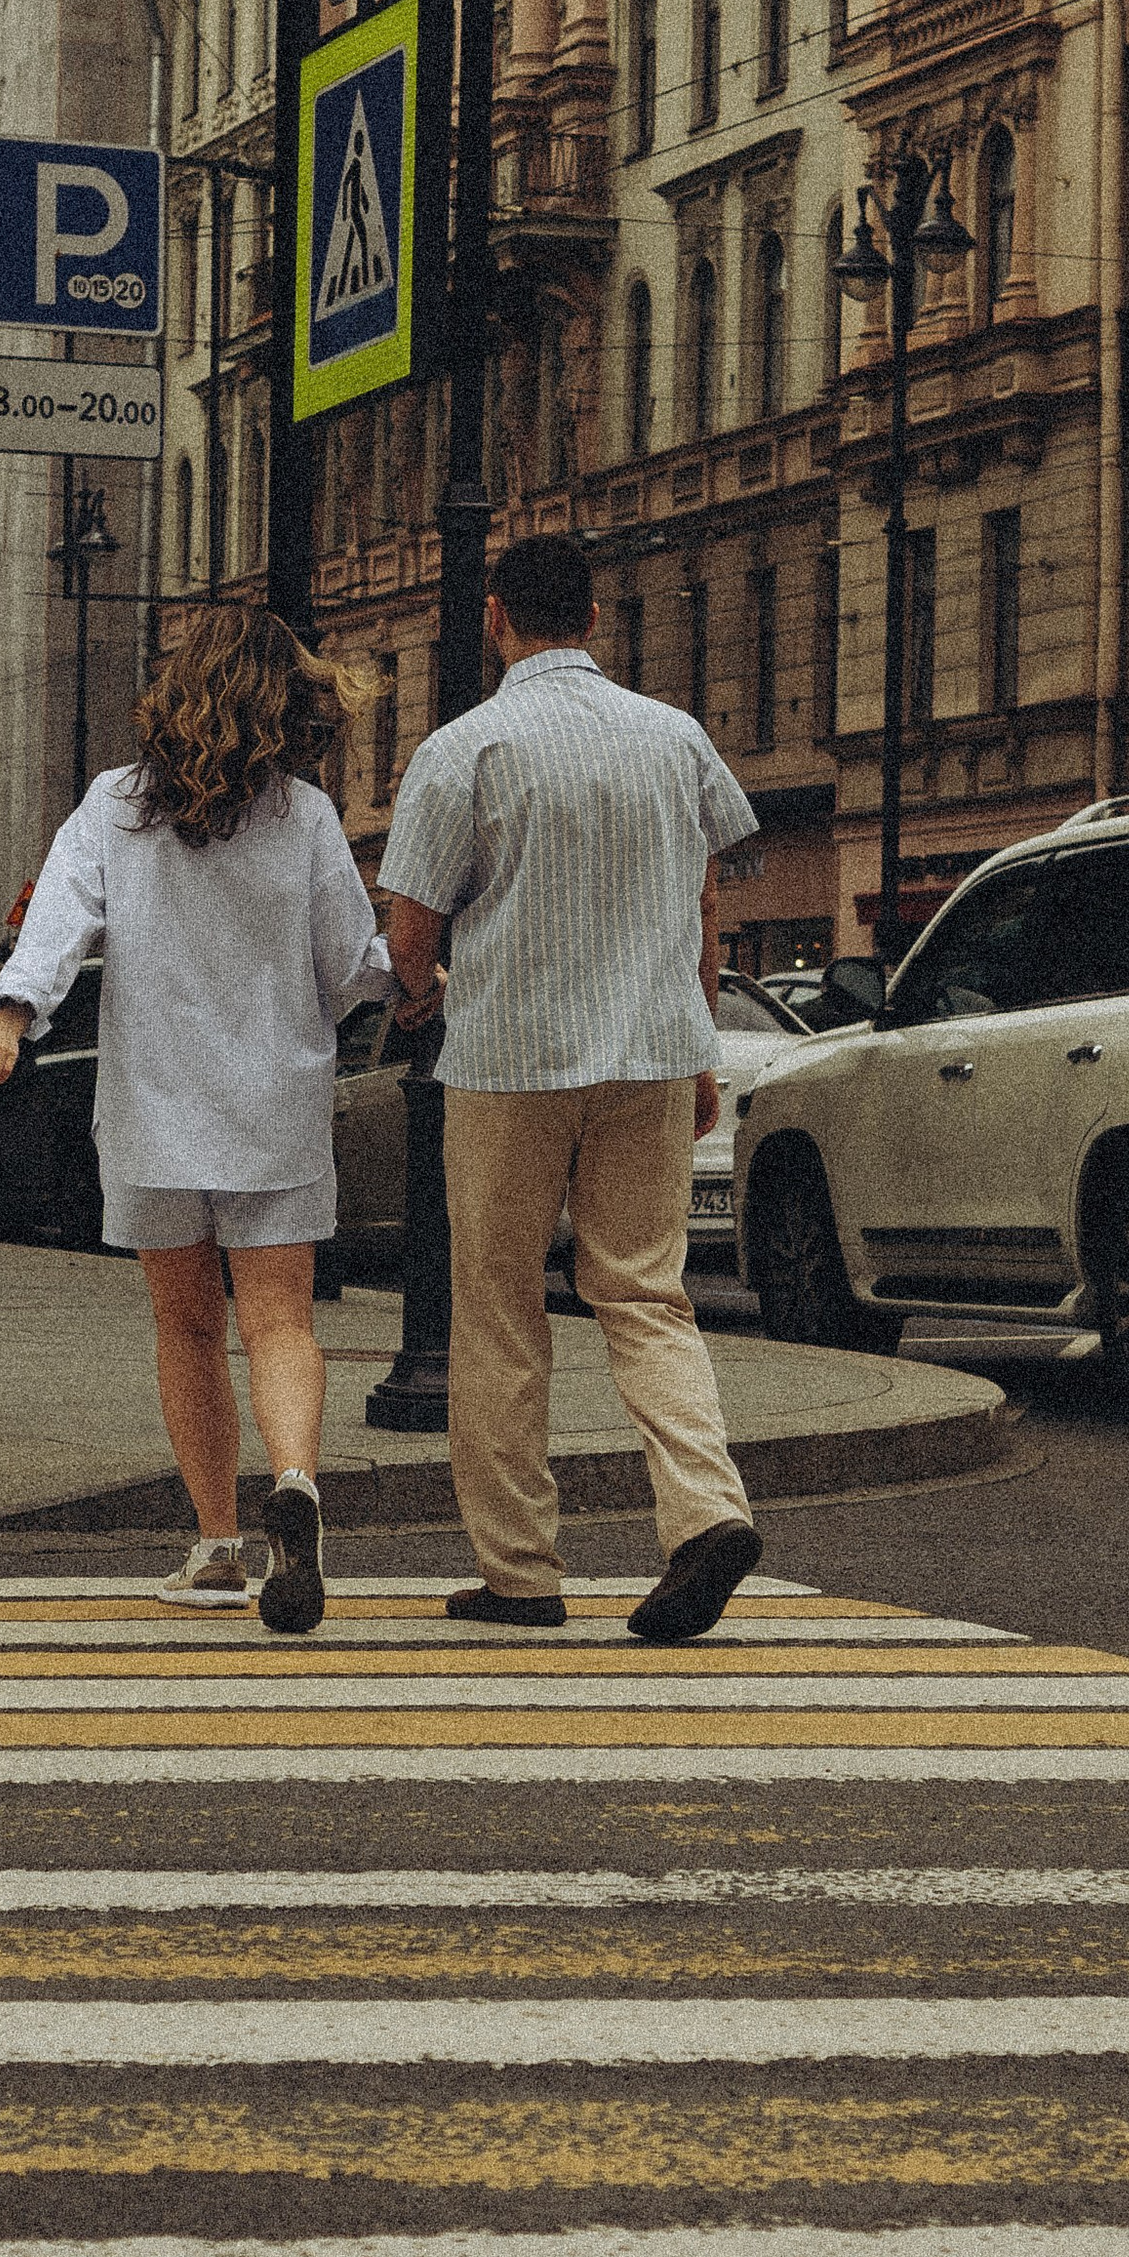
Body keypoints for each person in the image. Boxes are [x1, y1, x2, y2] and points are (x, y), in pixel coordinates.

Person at [0, 606, 424, 1635]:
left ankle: (217, 1543)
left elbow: (59, 922)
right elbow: (350, 967)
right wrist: (415, 981)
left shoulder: (114, 806)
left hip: (151, 1106)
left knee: (186, 1328)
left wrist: (10, 1016)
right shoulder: (301, 816)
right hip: (275, 1103)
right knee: (281, 1323)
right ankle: (295, 1484)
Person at [378, 529, 763, 1647]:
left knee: (496, 1310)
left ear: (493, 618)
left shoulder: (465, 748)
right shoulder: (674, 737)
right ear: (595, 620)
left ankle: (520, 1571)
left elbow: (411, 930)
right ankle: (706, 1514)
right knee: (645, 1295)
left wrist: (422, 989)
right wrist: (698, 1045)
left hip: (507, 1061)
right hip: (649, 1052)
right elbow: (705, 897)